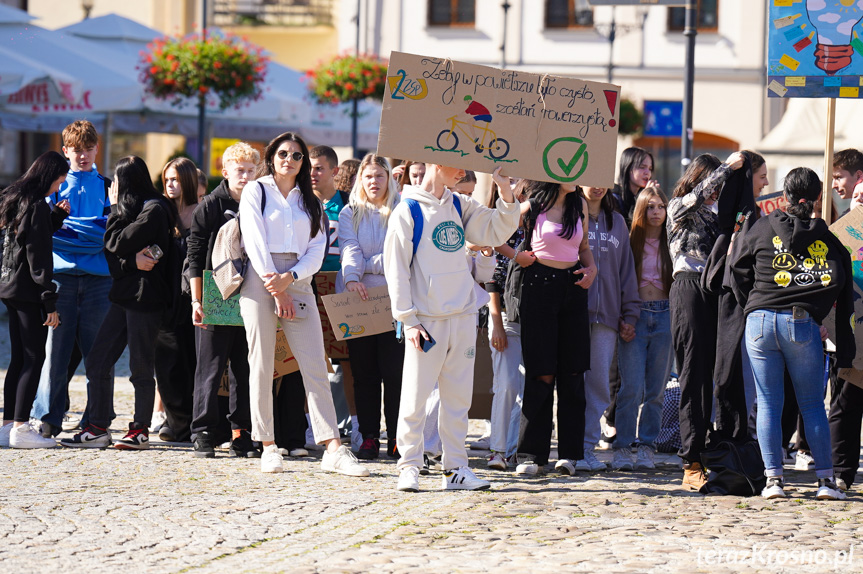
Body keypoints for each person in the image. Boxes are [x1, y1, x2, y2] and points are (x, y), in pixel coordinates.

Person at [238, 131, 368, 476]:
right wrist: (275, 286)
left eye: (297, 156)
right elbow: (253, 238)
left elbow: (317, 249)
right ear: (272, 155)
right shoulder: (257, 190)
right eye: (284, 153)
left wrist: (290, 279)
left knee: (314, 364)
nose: (290, 160)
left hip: (298, 278)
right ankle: (267, 444)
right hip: (260, 276)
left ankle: (333, 448)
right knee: (262, 363)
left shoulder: (309, 201)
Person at [384, 164, 519, 492]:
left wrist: (504, 190)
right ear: (434, 160)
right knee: (415, 397)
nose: (462, 169)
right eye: (456, 161)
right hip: (426, 322)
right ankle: (409, 465)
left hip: (462, 317)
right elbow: (396, 269)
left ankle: (456, 469)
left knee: (458, 400)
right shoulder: (407, 211)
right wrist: (408, 319)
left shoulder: (461, 204)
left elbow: (496, 231)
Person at [730, 167, 853, 501]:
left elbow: (737, 269)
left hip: (758, 322)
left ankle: (774, 482)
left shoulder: (760, 227)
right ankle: (826, 483)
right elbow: (839, 276)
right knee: (812, 404)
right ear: (815, 200)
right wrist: (818, 308)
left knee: (769, 402)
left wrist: (752, 304)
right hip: (800, 322)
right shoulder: (825, 235)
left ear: (784, 197)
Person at [61, 156, 178, 450]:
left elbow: (116, 242)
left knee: (141, 366)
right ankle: (98, 426)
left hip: (146, 299)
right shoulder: (135, 210)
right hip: (124, 295)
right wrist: (130, 261)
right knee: (98, 359)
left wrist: (114, 212)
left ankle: (139, 429)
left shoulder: (154, 210)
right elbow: (113, 253)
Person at [667, 151, 746, 490]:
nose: (718, 190)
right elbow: (698, 196)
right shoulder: (679, 207)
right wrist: (728, 168)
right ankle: (691, 459)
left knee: (723, 375)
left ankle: (724, 453)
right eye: (714, 183)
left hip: (720, 292)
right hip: (689, 288)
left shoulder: (722, 215)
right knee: (693, 376)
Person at [31, 120, 113, 438]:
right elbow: (48, 232)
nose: (83, 156)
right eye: (77, 150)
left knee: (98, 355)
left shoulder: (107, 185)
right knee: (55, 352)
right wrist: (90, 230)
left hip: (98, 280)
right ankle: (48, 417)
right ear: (65, 151)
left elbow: (108, 234)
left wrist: (70, 229)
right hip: (60, 279)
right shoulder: (53, 185)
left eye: (89, 149)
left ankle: (95, 420)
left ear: (96, 149)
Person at [512, 179, 597, 476]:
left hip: (573, 287)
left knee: (573, 372)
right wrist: (515, 256)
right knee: (541, 372)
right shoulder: (533, 203)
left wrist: (592, 269)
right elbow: (496, 230)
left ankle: (571, 454)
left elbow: (583, 247)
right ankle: (531, 454)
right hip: (538, 284)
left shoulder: (579, 203)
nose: (579, 177)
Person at [187, 142, 260, 458]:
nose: (244, 176)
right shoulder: (210, 206)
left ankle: (241, 431)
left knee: (245, 367)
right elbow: (194, 252)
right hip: (215, 292)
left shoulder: (261, 204)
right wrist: (196, 299)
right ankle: (202, 430)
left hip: (251, 293)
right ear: (225, 171)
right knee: (210, 366)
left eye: (249, 170)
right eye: (238, 170)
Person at [336, 154, 404, 460]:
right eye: (368, 177)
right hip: (357, 299)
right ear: (359, 181)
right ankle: (369, 437)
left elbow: (400, 254)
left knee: (394, 372)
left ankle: (396, 437)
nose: (373, 182)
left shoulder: (402, 210)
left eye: (379, 176)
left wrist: (369, 265)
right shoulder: (350, 212)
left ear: (389, 178)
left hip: (394, 300)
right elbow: (349, 247)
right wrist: (353, 276)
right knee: (363, 373)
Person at [0, 152, 68, 448]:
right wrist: (49, 302)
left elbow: (26, 240)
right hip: (28, 292)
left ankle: (7, 426)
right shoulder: (37, 205)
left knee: (18, 359)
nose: (59, 186)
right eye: (59, 180)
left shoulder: (16, 199)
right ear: (50, 175)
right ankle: (21, 428)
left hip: (9, 287)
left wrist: (55, 218)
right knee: (33, 358)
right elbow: (38, 258)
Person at [616, 187, 674, 471]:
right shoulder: (629, 242)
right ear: (641, 210)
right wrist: (623, 318)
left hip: (665, 315)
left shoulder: (671, 241)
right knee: (631, 388)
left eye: (661, 206)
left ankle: (648, 446)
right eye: (650, 206)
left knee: (656, 390)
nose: (656, 212)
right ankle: (623, 447)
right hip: (636, 316)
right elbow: (619, 283)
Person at [582, 185, 639, 472]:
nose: (595, 185)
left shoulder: (616, 221)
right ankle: (569, 447)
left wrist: (629, 313)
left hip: (607, 316)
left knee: (599, 385)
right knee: (570, 384)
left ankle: (585, 447)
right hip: (573, 313)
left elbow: (626, 270)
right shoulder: (568, 214)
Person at [153, 157, 199, 442]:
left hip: (194, 296)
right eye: (167, 179)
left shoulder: (202, 211)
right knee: (166, 365)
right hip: (164, 296)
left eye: (176, 179)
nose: (170, 184)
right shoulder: (160, 211)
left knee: (194, 362)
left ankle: (194, 422)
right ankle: (175, 420)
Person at [485, 180, 528, 471]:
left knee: (527, 390)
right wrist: (497, 323)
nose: (526, 200)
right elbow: (492, 281)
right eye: (521, 194)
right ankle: (498, 450)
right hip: (506, 318)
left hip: (536, 320)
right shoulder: (498, 227)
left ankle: (515, 449)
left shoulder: (543, 229)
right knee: (507, 385)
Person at [612, 147, 656, 226]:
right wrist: (642, 198)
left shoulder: (644, 194)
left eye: (650, 168)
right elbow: (630, 227)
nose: (647, 173)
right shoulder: (613, 198)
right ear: (628, 168)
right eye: (642, 167)